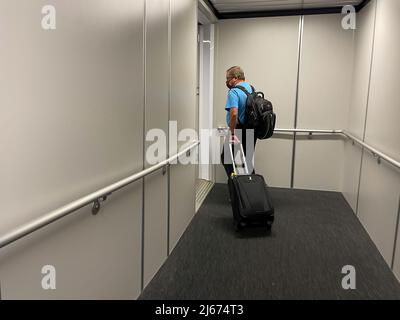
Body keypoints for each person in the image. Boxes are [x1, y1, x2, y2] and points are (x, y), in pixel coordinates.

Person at [221, 66, 257, 178]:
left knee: (227, 159)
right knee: (246, 161)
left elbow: (234, 113)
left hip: (239, 131)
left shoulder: (234, 91)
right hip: (252, 130)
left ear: (235, 78)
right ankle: (250, 191)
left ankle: (236, 187)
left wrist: (232, 133)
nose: (227, 81)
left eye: (228, 78)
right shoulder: (251, 88)